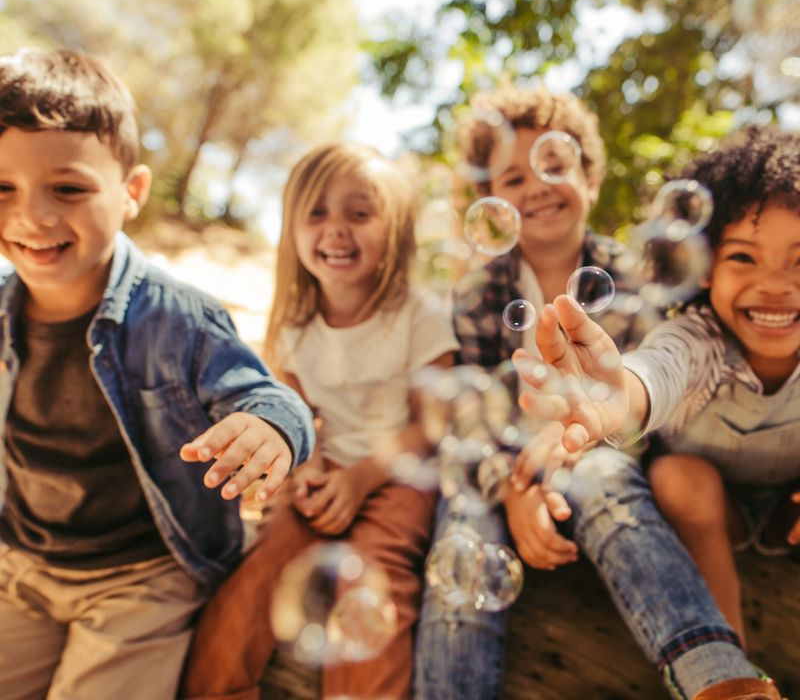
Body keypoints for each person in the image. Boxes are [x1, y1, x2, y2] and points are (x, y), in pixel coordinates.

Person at [0, 48, 315, 700]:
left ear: (132, 192)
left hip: (142, 576)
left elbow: (270, 399)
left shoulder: (180, 317)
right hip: (24, 566)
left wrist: (269, 431)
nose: (32, 216)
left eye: (69, 188)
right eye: (2, 187)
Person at [516, 125, 796, 700]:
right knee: (679, 476)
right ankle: (730, 679)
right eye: (744, 256)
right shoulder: (700, 336)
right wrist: (621, 394)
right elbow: (658, 369)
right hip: (712, 509)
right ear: (706, 269)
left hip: (788, 511)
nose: (775, 286)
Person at [180, 142, 458, 700]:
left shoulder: (419, 313)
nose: (335, 229)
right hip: (326, 470)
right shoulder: (294, 328)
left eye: (359, 213)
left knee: (379, 580)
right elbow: (299, 414)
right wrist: (310, 467)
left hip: (401, 475)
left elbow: (432, 424)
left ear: (397, 230)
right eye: (316, 213)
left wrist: (359, 481)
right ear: (292, 229)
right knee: (261, 572)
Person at [414, 82, 649, 699]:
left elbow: (645, 406)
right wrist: (513, 488)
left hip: (596, 464)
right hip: (496, 471)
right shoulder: (476, 296)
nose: (537, 187)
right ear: (492, 204)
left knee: (615, 492)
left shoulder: (630, 281)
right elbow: (467, 419)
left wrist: (562, 454)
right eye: (513, 179)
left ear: (590, 178)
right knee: (462, 535)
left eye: (555, 164)